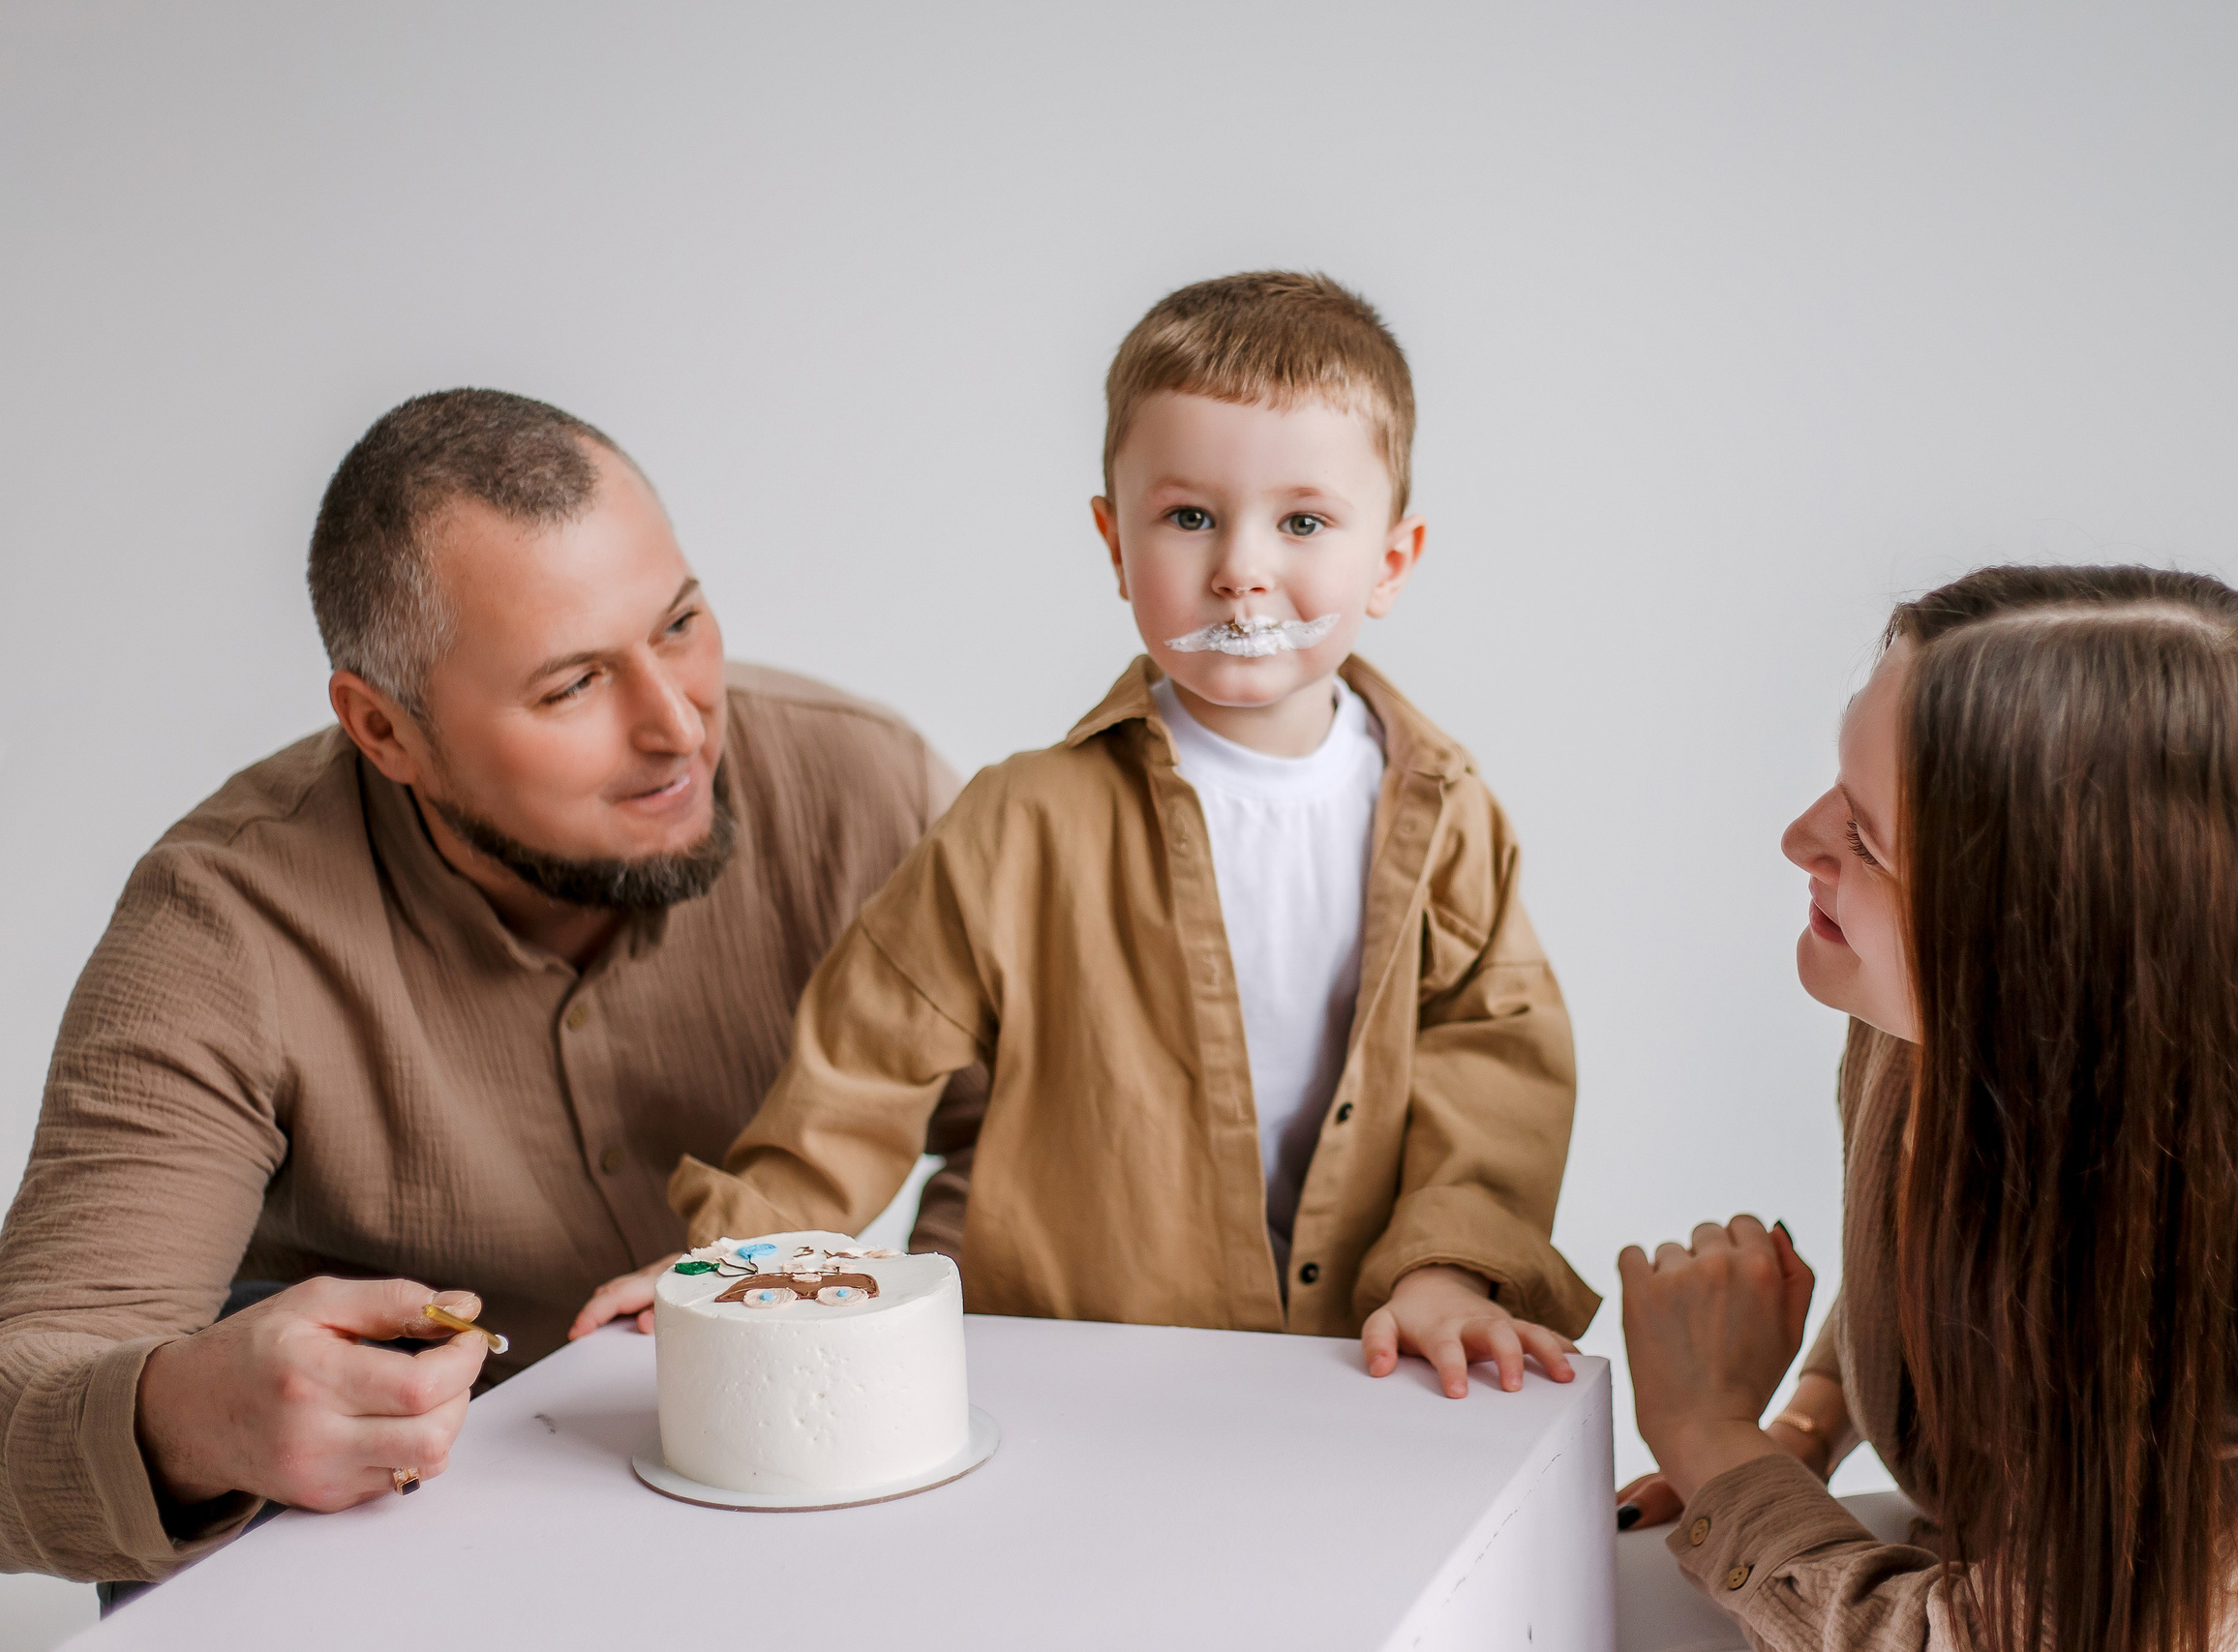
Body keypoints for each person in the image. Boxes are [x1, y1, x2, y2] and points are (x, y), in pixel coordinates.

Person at [0, 389, 982, 1586]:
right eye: (572, 687)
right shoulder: (222, 925)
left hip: (762, 1519)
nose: (679, 728)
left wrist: (885, 1358)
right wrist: (186, 1419)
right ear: (384, 729)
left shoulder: (859, 787)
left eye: (679, 623)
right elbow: (27, 1387)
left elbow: (1034, 1136)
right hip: (383, 1557)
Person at [577, 272, 1600, 1392]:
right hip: (1077, 1365)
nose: (1241, 568)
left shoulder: (1447, 813)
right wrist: (741, 1258)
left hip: (1355, 1367)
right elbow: (862, 1069)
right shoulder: (1022, 822)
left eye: (1302, 521)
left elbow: (1495, 1061)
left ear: (1390, 562)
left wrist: (1449, 1270)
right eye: (1189, 517)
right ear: (1116, 544)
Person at [1615, 565, 2238, 1648]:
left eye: (1866, 840)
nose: (1799, 836)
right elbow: (1938, 1257)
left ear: (2037, 935)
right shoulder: (1928, 1024)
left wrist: (1708, 1437)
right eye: (1837, 785)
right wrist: (1806, 1420)